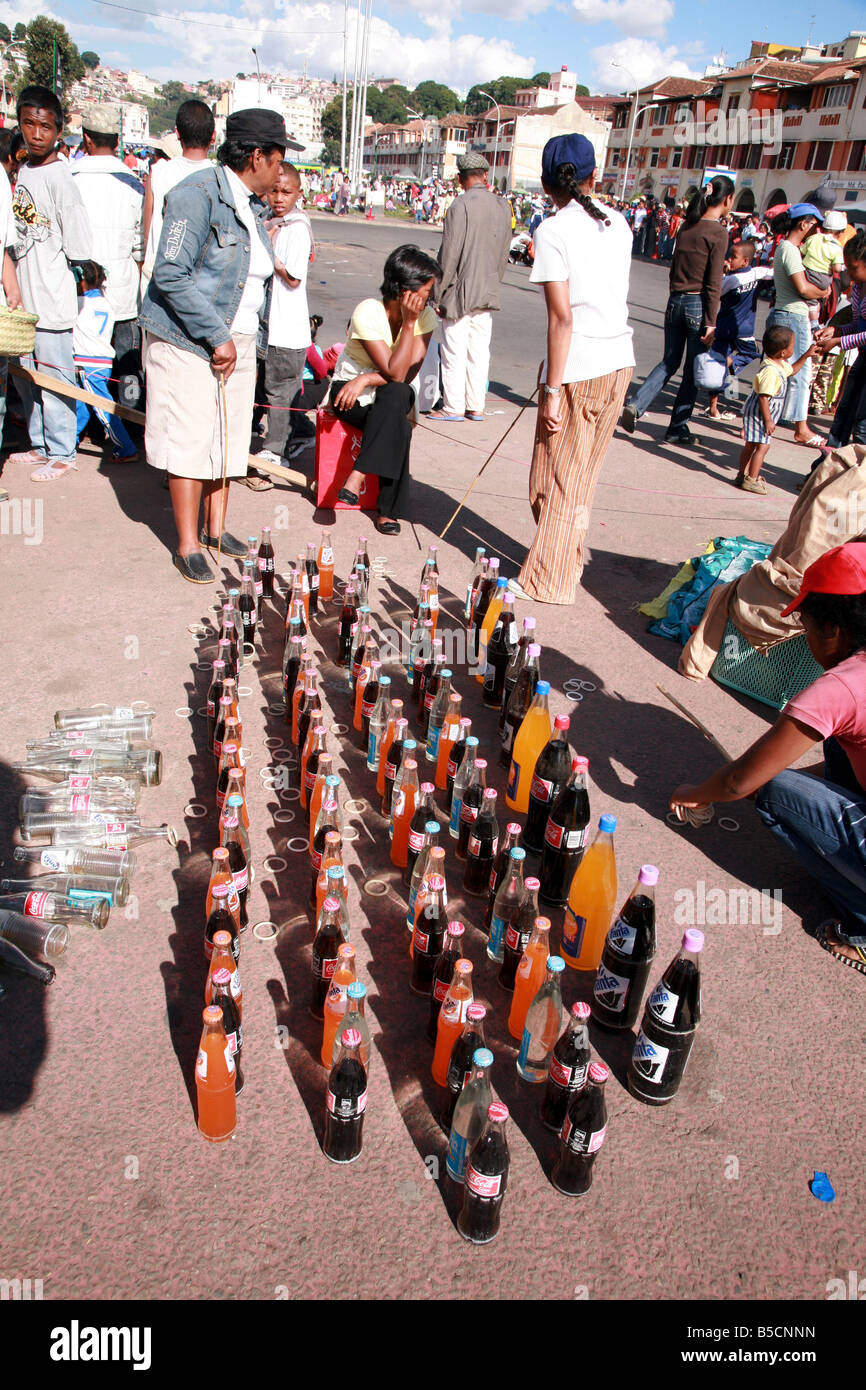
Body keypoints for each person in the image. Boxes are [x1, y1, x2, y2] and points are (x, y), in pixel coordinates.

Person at [671, 541, 866, 974]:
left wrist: (697, 792)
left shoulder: (844, 686)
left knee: (773, 790)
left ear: (832, 629)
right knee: (834, 746)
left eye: (808, 626)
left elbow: (741, 780)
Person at [140, 108, 286, 584]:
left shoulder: (254, 204)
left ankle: (215, 529)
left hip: (237, 340)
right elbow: (170, 274)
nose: (280, 172)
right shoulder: (196, 194)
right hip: (191, 339)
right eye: (278, 160)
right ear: (257, 156)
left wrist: (237, 340)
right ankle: (187, 543)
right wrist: (217, 336)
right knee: (189, 440)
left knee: (227, 440)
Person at [508, 133, 634, 606]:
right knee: (557, 477)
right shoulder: (618, 224)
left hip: (579, 368)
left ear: (546, 183)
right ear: (593, 176)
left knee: (561, 479)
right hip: (617, 361)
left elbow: (562, 317)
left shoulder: (553, 230)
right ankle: (568, 555)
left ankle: (550, 580)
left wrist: (553, 390)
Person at [7, 85, 94, 482]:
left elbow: (78, 245)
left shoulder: (61, 178)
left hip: (52, 298)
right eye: (29, 124)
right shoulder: (24, 169)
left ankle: (63, 451)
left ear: (59, 129)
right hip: (24, 299)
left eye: (45, 126)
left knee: (55, 377)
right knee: (27, 377)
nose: (36, 134)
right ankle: (40, 444)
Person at [328, 243, 441, 536]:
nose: (431, 296)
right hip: (349, 393)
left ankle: (358, 475)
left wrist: (367, 379)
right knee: (398, 425)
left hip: (381, 390)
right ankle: (387, 511)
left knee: (398, 395)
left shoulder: (425, 317)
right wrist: (407, 325)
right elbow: (392, 370)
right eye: (427, 289)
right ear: (406, 290)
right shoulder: (368, 311)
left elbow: (406, 373)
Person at [620, 174, 734, 444]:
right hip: (698, 304)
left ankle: (637, 404)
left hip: (675, 300)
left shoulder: (686, 227)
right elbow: (714, 282)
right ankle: (677, 427)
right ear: (727, 199)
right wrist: (711, 321)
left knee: (669, 361)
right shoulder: (718, 232)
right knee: (692, 370)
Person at [71, 106, 144, 411]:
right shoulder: (134, 184)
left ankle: (86, 420)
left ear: (86, 139)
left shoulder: (70, 178)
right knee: (126, 362)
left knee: (81, 360)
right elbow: (140, 246)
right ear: (117, 141)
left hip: (81, 291)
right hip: (122, 292)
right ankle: (129, 417)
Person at [429, 152, 511, 423]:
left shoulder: (459, 206)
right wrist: (493, 282)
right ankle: (476, 405)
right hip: (488, 289)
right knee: (479, 351)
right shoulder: (502, 206)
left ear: (461, 178)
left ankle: (453, 406)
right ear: (485, 175)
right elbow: (503, 254)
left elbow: (449, 256)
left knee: (454, 350)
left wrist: (437, 293)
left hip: (458, 292)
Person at [255, 162, 313, 476]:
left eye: (286, 192)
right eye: (274, 191)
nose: (278, 198)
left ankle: (275, 451)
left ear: (298, 194)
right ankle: (298, 431)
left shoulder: (296, 228)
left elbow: (293, 278)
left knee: (279, 389)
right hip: (269, 327)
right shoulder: (273, 221)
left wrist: (270, 254)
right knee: (273, 388)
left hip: (285, 328)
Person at [764, 203, 828, 446]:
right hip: (793, 315)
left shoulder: (787, 248)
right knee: (799, 373)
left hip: (785, 312)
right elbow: (802, 288)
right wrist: (822, 293)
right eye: (814, 224)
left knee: (774, 370)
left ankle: (762, 419)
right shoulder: (790, 249)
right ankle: (801, 427)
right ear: (804, 223)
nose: (816, 229)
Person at [141, 99, 215, 296]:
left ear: (177, 133)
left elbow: (148, 231)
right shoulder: (220, 178)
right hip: (199, 289)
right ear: (213, 136)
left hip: (157, 281)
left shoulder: (158, 172)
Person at [736, 324, 816, 493]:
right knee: (762, 447)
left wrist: (806, 355)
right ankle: (751, 479)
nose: (793, 349)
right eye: (792, 346)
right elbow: (764, 397)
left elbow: (792, 371)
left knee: (751, 445)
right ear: (783, 352)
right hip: (760, 413)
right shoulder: (771, 371)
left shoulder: (779, 364)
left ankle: (741, 475)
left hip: (761, 413)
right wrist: (768, 420)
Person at [72, 258, 137, 461]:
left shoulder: (79, 303)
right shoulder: (107, 304)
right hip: (102, 361)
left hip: (87, 362)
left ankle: (126, 448)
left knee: (103, 408)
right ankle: (69, 442)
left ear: (81, 282)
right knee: (80, 406)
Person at [703, 239, 774, 421]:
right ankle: (726, 396)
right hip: (743, 330)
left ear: (745, 261)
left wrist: (721, 273)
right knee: (748, 356)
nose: (729, 259)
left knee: (719, 368)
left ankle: (714, 407)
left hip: (724, 328)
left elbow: (713, 293)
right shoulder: (757, 273)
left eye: (733, 257)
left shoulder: (730, 280)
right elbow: (773, 272)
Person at [812, 229, 866, 453]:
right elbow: (859, 324)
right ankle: (828, 466)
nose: (848, 273)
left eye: (853, 268)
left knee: (862, 425)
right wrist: (836, 330)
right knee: (843, 414)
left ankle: (855, 479)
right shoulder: (858, 289)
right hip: (863, 359)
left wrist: (838, 342)